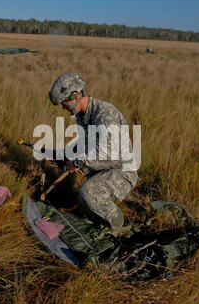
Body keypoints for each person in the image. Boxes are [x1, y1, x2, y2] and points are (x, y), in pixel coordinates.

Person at [48, 73, 138, 229]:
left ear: (75, 98)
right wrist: (62, 154)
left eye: (64, 103)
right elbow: (85, 143)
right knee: (83, 201)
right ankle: (97, 222)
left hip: (121, 171)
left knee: (89, 193)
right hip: (103, 168)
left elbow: (111, 155)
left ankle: (118, 228)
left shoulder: (105, 116)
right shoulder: (83, 115)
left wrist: (77, 162)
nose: (63, 107)